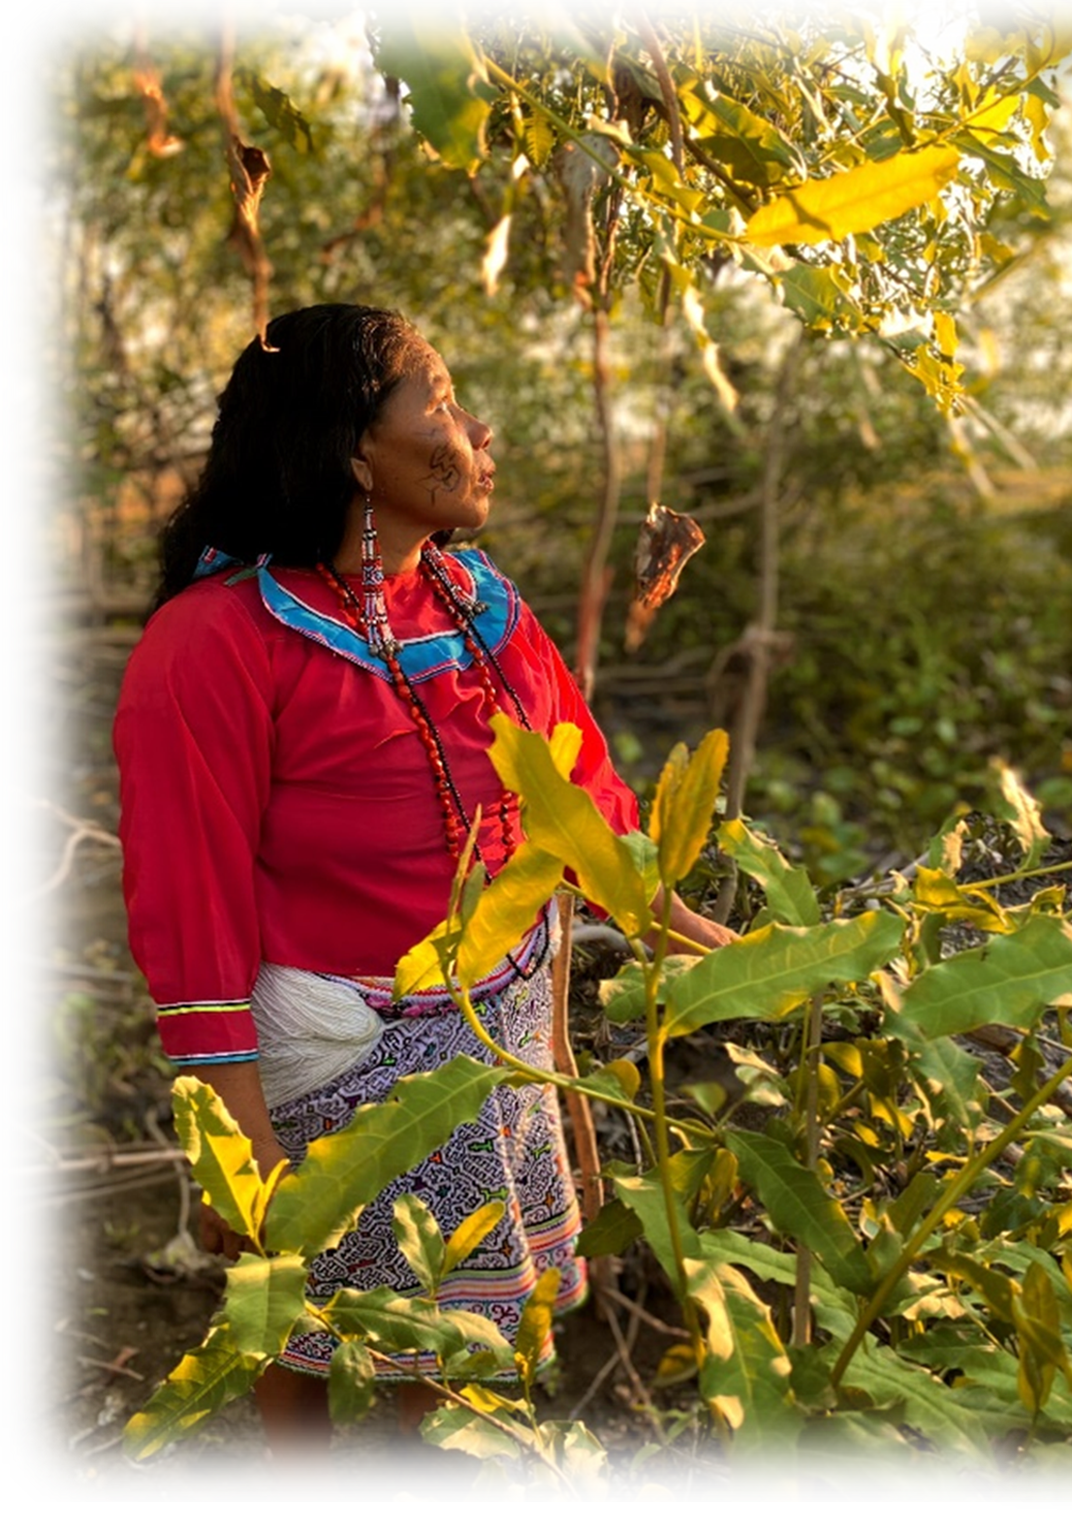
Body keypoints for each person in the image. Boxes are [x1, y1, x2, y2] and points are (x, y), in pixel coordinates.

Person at [114, 303, 730, 1497]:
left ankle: (427, 1446)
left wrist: (721, 946)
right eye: (442, 403)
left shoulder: (472, 601)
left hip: (494, 1019)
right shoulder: (214, 644)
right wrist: (237, 1144)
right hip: (332, 1037)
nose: (477, 430)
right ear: (357, 454)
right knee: (293, 1278)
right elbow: (188, 903)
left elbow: (578, 796)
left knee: (461, 1281)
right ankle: (300, 1480)